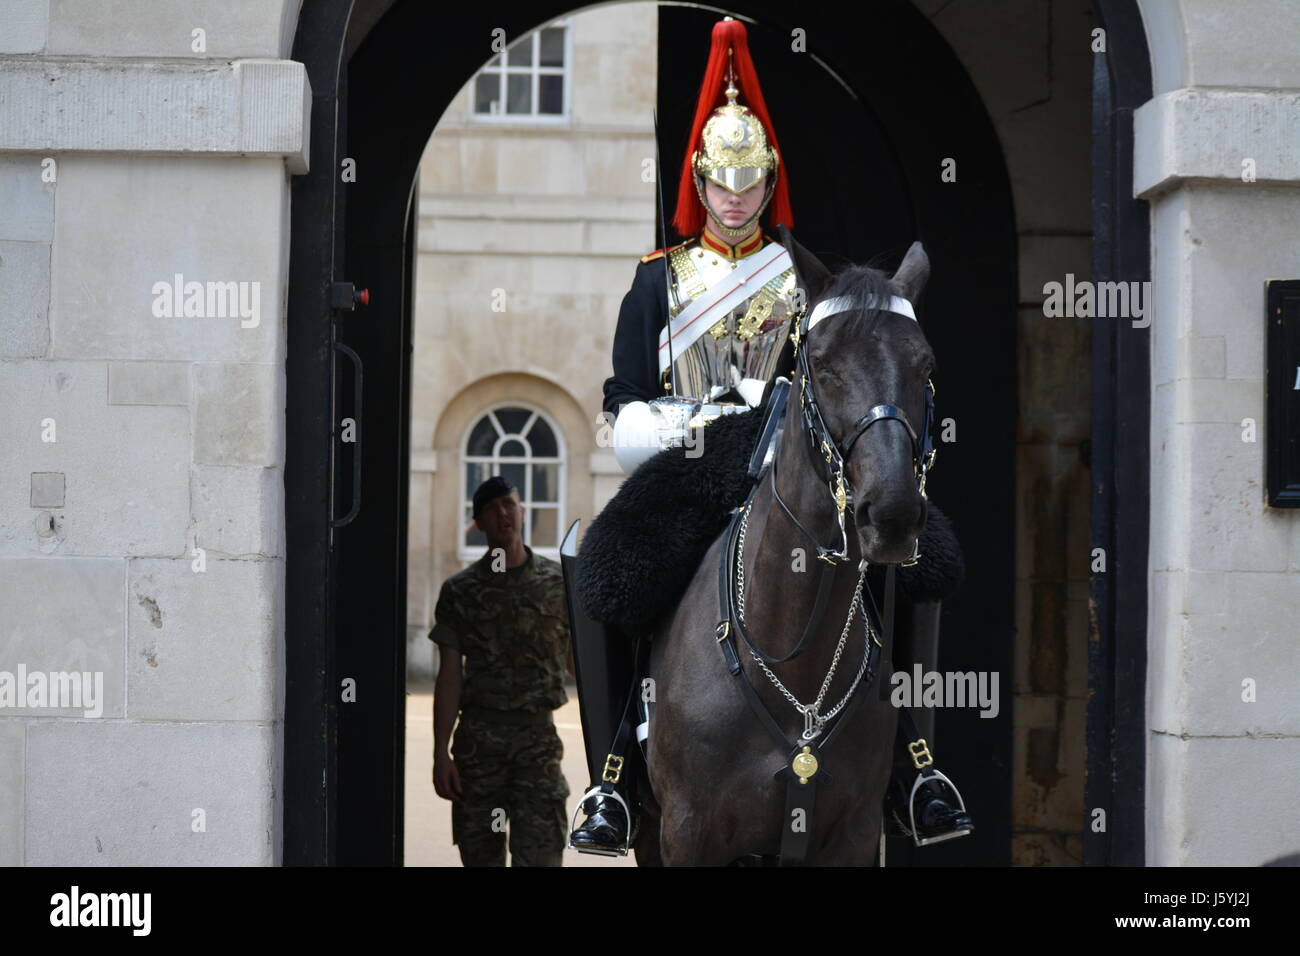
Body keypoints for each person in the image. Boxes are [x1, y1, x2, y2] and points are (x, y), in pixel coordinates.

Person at [566, 16, 973, 857]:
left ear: (769, 182)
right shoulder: (659, 280)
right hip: (686, 459)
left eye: (751, 182)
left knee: (921, 551)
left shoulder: (804, 278)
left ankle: (914, 765)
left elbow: (845, 372)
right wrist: (689, 426)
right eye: (722, 182)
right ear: (701, 183)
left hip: (791, 459)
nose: (736, 197)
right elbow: (624, 399)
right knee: (608, 565)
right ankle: (612, 774)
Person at [430, 475, 573, 866]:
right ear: (479, 523)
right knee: (480, 857)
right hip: (479, 745)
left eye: (510, 504)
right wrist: (440, 753)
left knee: (542, 855)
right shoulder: (460, 592)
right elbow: (449, 677)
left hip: (537, 743)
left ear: (522, 512)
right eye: (492, 509)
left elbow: (580, 665)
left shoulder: (558, 584)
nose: (503, 514)